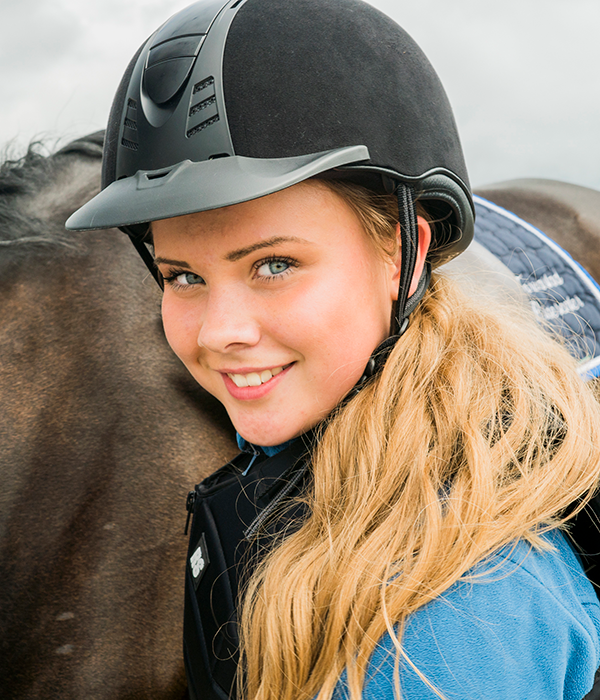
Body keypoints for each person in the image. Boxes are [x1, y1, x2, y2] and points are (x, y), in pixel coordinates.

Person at [66, 0, 600, 698]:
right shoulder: (307, 447)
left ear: (405, 258)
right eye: (184, 277)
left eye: (274, 265)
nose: (221, 331)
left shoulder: (443, 623)